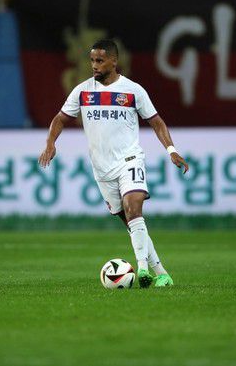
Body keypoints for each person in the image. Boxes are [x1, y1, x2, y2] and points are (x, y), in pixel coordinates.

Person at [38, 39, 189, 288]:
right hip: (102, 169)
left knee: (134, 209)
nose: (94, 65)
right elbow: (59, 119)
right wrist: (50, 143)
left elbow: (157, 122)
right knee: (131, 223)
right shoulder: (82, 92)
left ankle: (142, 269)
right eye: (92, 60)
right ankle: (161, 273)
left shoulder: (133, 91)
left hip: (130, 160)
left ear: (114, 61)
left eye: (100, 60)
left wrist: (171, 150)